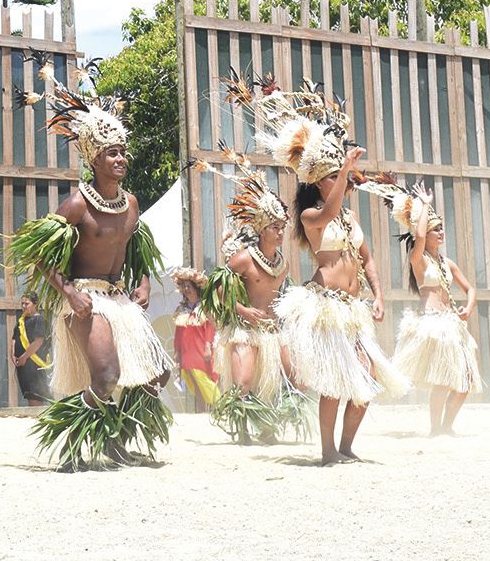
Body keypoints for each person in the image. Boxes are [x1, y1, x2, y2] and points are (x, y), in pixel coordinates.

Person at [229, 73, 406, 465]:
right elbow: (327, 211)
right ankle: (328, 452)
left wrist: (377, 295)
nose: (339, 180)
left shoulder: (348, 219)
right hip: (325, 305)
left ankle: (345, 447)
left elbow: (368, 259)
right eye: (330, 177)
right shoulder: (313, 216)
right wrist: (344, 170)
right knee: (336, 382)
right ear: (318, 182)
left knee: (367, 379)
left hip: (353, 308)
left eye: (337, 176)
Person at [4, 57, 171, 469]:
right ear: (94, 159)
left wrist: (145, 282)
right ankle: (70, 438)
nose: (121, 159)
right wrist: (70, 292)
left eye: (123, 152)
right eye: (112, 153)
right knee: (106, 377)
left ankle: (114, 441)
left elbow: (137, 246)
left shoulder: (130, 203)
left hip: (119, 299)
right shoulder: (77, 203)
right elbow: (39, 253)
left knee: (157, 376)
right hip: (87, 299)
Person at [195, 154, 297, 443]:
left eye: (282, 227)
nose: (280, 233)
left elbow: (279, 296)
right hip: (245, 328)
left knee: (290, 376)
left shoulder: (283, 263)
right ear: (261, 229)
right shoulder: (243, 260)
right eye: (275, 227)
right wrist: (242, 310)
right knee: (244, 380)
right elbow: (215, 292)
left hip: (272, 330)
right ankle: (240, 427)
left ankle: (267, 425)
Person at [383, 184, 482, 435]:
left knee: (466, 380)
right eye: (436, 229)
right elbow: (418, 237)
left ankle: (447, 426)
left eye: (442, 228)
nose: (441, 232)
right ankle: (435, 429)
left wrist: (467, 309)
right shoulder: (419, 259)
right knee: (443, 379)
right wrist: (425, 204)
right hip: (432, 324)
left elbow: (470, 289)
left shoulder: (447, 263)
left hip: (451, 324)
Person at [170, 267, 219, 411]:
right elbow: (179, 333)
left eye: (189, 286)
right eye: (184, 286)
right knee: (195, 384)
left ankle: (220, 408)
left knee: (205, 380)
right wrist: (177, 352)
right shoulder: (182, 309)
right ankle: (203, 413)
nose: (186, 289)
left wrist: (208, 346)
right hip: (186, 351)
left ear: (196, 287)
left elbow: (210, 328)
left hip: (200, 350)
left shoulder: (204, 307)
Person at [9, 293, 52, 405]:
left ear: (35, 304)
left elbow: (38, 342)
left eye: (27, 303)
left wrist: (24, 357)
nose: (24, 306)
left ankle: (37, 418)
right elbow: (14, 339)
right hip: (22, 364)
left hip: (34, 364)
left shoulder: (39, 320)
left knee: (35, 394)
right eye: (22, 303)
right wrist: (13, 355)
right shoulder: (21, 321)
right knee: (28, 393)